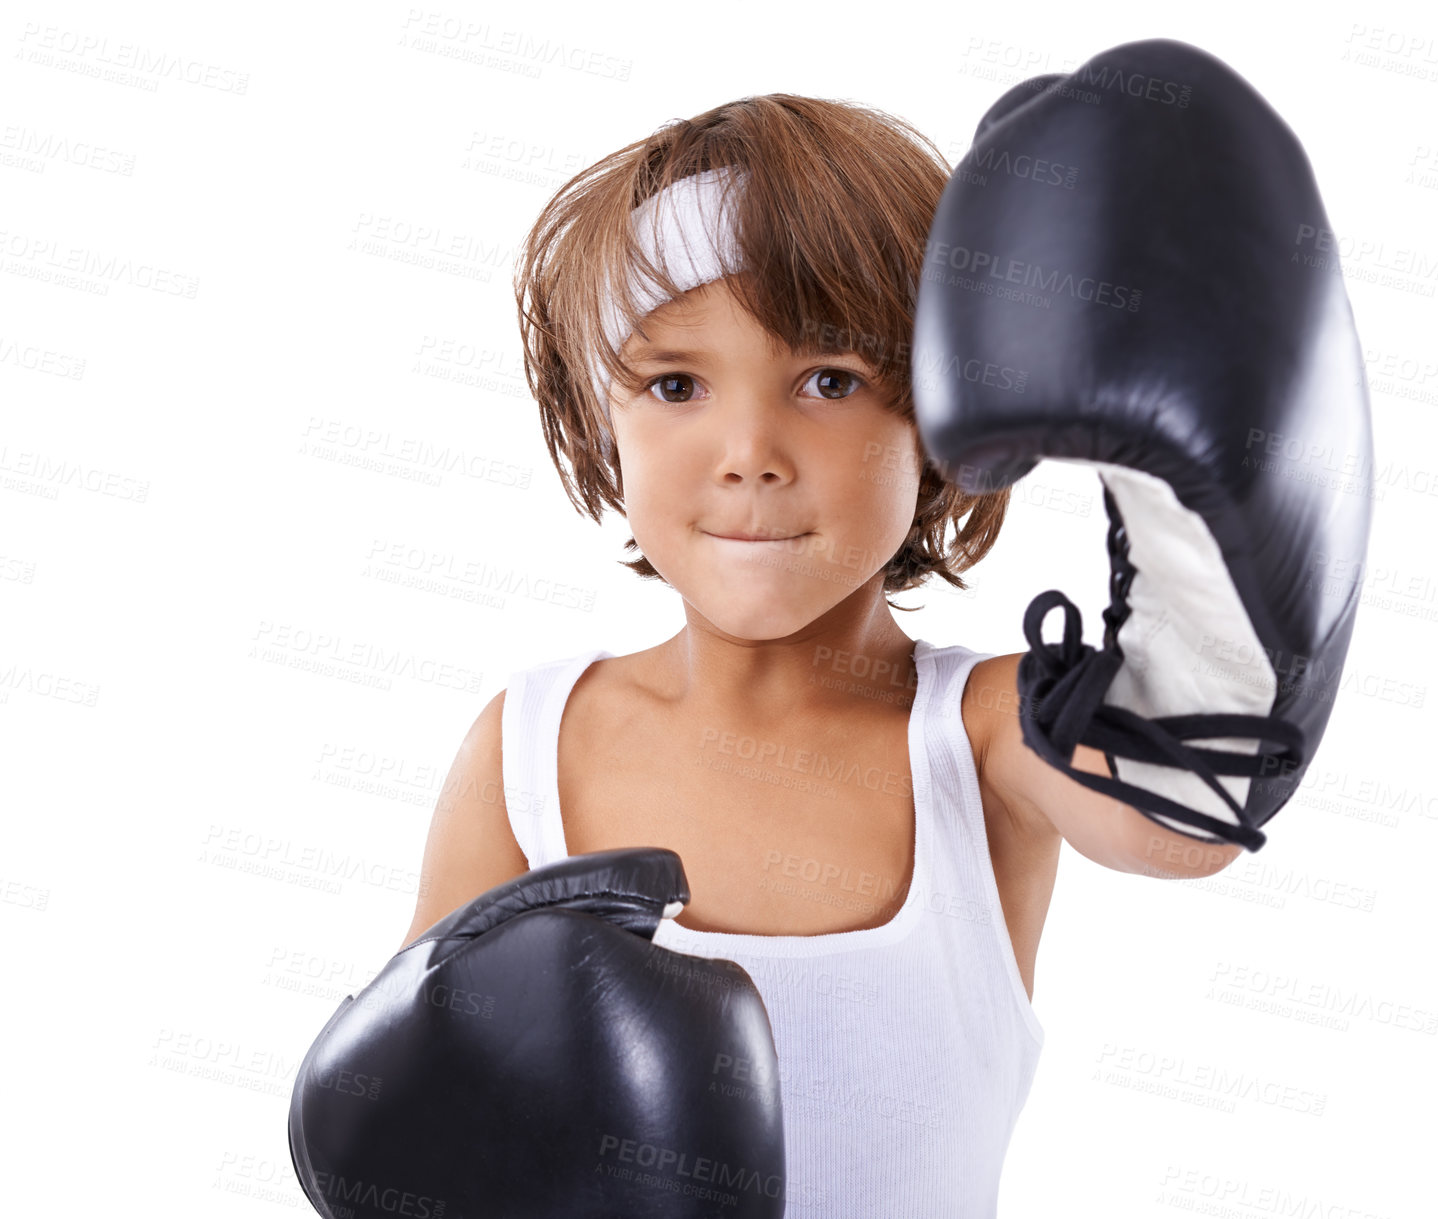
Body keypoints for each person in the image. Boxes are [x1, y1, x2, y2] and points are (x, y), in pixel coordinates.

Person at [395, 90, 1248, 1216]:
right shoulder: (532, 744)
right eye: (675, 384)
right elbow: (410, 1116)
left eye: (829, 380)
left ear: (942, 418)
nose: (749, 453)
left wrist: (1165, 459)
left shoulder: (982, 731)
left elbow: (1180, 821)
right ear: (602, 417)